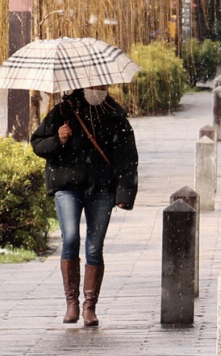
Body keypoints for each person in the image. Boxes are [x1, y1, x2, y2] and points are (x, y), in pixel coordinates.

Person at [29, 87, 139, 327]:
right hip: (68, 186)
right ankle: (72, 304)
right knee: (69, 239)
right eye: (94, 86)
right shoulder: (64, 111)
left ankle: (90, 306)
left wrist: (124, 193)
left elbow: (127, 157)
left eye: (102, 86)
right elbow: (37, 144)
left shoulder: (114, 115)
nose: (98, 91)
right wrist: (58, 138)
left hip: (102, 189)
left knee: (94, 245)